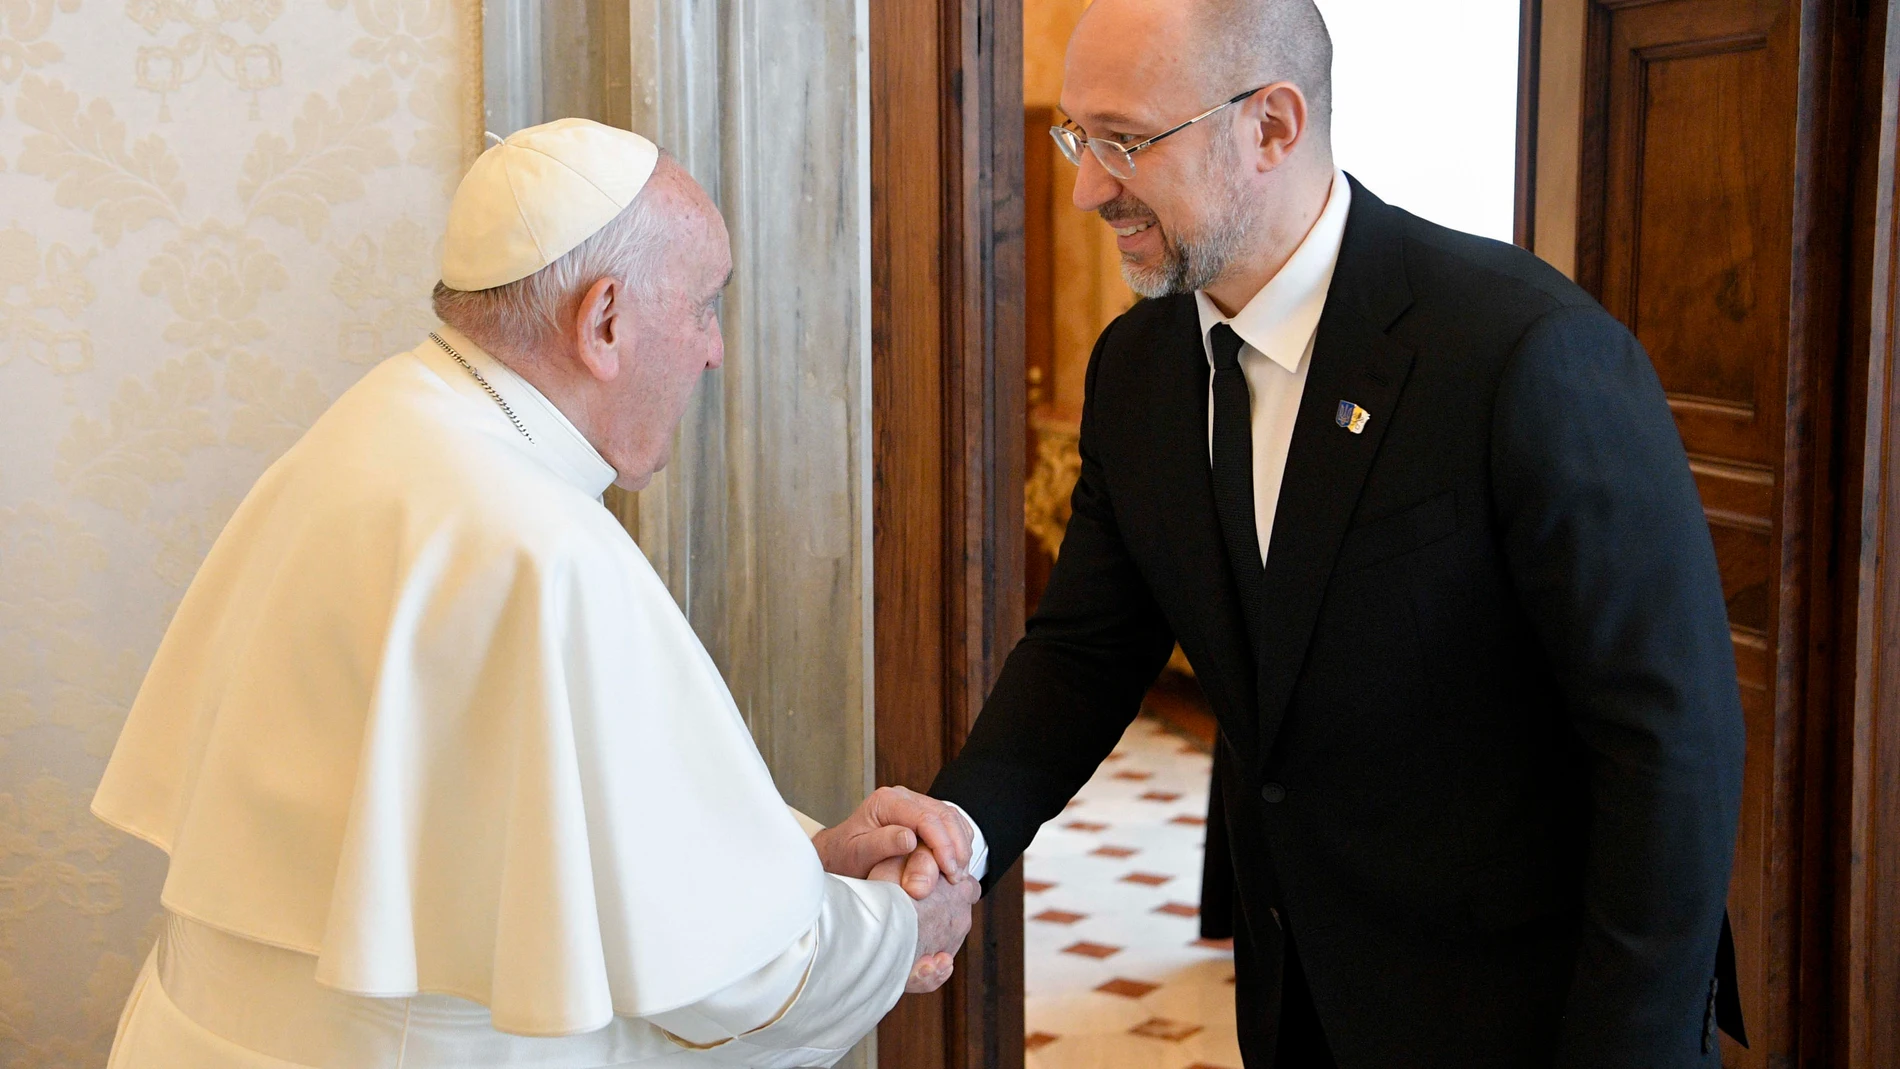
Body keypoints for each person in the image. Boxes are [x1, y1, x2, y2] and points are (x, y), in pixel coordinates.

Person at [921, 1, 1749, 1065]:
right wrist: (958, 843)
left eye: (1124, 142)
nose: (1087, 187)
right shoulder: (1137, 370)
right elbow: (1083, 651)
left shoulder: (1521, 353)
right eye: (1078, 138)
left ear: (1271, 125)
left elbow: (1668, 747)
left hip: (1528, 1018)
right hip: (1295, 1000)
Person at [91, 117, 980, 1069]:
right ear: (604, 322)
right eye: (704, 308)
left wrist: (793, 864)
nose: (714, 351)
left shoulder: (375, 424)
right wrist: (898, 918)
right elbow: (746, 987)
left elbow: (541, 834)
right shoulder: (540, 547)